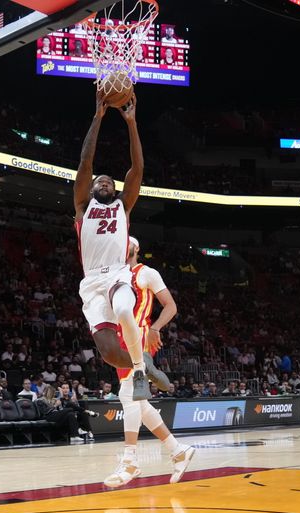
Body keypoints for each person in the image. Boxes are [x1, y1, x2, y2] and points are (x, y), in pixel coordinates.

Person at [73, 88, 169, 402]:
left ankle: (141, 365)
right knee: (108, 352)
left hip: (116, 275)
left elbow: (137, 170)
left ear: (114, 191)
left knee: (125, 308)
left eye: (109, 182)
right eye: (99, 181)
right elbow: (86, 162)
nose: (104, 182)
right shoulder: (82, 206)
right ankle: (142, 367)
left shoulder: (122, 206)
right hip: (91, 283)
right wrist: (97, 118)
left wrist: (131, 123)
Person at [105, 237, 194, 487]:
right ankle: (178, 450)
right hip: (119, 337)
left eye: (128, 243)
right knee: (139, 402)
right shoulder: (116, 275)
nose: (124, 246)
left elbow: (171, 306)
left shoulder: (147, 273)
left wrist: (155, 328)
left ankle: (130, 460)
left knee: (128, 394)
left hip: (140, 336)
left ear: (136, 249)